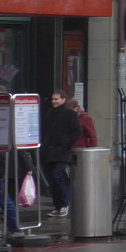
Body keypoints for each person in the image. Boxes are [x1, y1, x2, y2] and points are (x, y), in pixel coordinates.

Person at [41, 90, 80, 218]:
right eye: (52, 99)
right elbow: (46, 130)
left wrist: (66, 145)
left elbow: (76, 132)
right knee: (52, 180)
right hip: (50, 152)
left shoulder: (69, 114)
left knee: (59, 176)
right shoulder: (49, 113)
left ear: (64, 99)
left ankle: (64, 204)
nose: (54, 101)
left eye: (56, 99)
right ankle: (58, 206)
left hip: (62, 152)